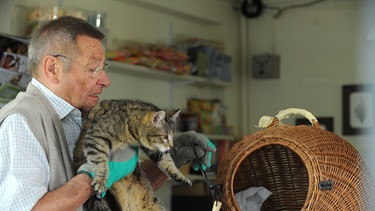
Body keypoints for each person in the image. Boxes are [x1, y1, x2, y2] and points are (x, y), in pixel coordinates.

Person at [0, 16, 216, 210]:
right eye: (93, 68)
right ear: (52, 68)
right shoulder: (21, 121)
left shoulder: (79, 115)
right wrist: (92, 176)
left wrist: (171, 159)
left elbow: (120, 193)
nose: (105, 80)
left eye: (105, 68)